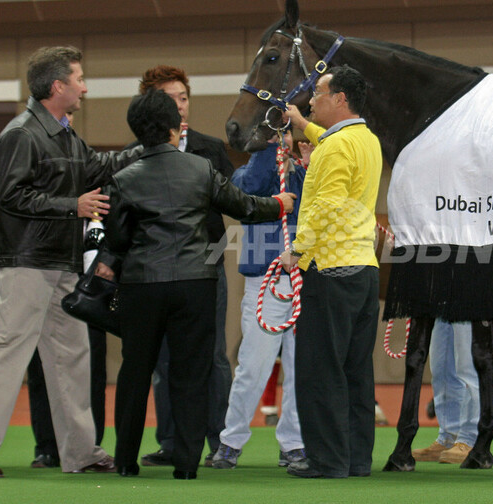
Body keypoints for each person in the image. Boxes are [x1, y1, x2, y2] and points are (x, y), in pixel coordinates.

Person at [96, 89, 295, 479]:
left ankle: (125, 461)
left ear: (137, 131)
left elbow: (116, 241)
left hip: (142, 285)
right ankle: (187, 465)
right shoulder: (200, 169)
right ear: (175, 128)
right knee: (192, 373)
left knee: (135, 373)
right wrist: (280, 204)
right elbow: (243, 205)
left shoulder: (122, 179)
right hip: (195, 283)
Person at [0, 46, 142, 477]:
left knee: (73, 358)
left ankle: (80, 453)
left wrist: (150, 144)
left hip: (61, 263)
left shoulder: (65, 135)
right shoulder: (21, 134)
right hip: (26, 262)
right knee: (8, 355)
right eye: (79, 78)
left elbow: (100, 167)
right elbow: (8, 195)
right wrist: (71, 206)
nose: (85, 87)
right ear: (57, 86)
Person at [280, 65, 382, 478]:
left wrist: (297, 250)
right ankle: (355, 459)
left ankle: (327, 460)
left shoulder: (335, 147)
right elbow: (330, 142)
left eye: (318, 93)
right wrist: (303, 126)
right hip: (363, 269)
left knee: (320, 369)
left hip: (331, 267)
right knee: (356, 370)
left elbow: (326, 205)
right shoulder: (366, 139)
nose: (310, 100)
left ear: (340, 99)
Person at [131, 66, 235, 469]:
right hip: (156, 269)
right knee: (164, 360)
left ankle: (220, 441)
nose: (179, 106)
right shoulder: (136, 154)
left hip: (206, 264)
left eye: (184, 97)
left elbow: (233, 199)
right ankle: (172, 442)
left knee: (213, 356)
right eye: (169, 99)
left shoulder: (211, 149)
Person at [212, 128, 307, 469]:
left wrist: (311, 168)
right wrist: (268, 152)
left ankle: (294, 442)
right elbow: (247, 193)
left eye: (286, 133)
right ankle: (231, 440)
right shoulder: (247, 173)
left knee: (300, 370)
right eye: (273, 134)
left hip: (303, 280)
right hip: (264, 282)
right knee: (253, 366)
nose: (282, 139)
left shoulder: (304, 174)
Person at [25, 111, 109, 470]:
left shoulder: (89, 164)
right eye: (65, 113)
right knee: (37, 363)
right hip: (39, 267)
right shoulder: (31, 157)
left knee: (87, 362)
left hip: (85, 278)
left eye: (73, 114)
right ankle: (47, 445)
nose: (69, 119)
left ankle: (86, 446)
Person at [411, 319, 480, 464]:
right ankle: (449, 436)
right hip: (442, 307)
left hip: (469, 305)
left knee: (468, 367)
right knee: (441, 368)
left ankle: (470, 439)